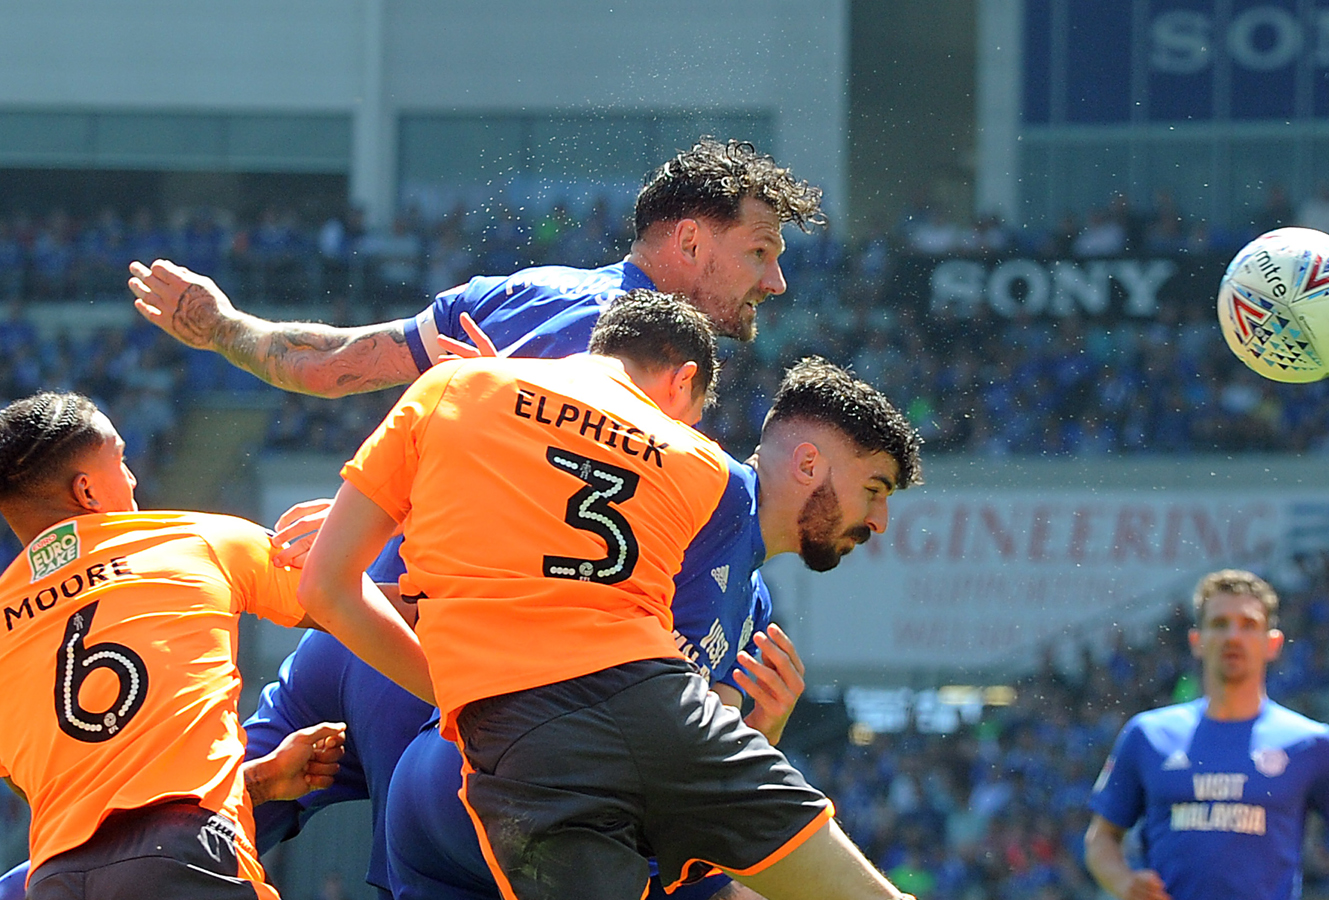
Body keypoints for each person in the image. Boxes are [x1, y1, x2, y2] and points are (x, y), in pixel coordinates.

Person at [296, 292, 917, 900]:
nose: (882, 520)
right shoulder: (700, 474)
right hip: (490, 767)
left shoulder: (751, 600)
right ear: (682, 385)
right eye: (875, 489)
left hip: (496, 770)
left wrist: (757, 733)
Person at [0, 391, 379, 899]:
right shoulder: (194, 541)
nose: (133, 478)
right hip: (188, 856)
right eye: (121, 459)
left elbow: (86, 798)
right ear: (86, 491)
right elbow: (363, 609)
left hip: (54, 881)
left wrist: (259, 782)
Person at [125, 138, 823, 398]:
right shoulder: (616, 338)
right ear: (693, 243)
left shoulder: (529, 295)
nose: (775, 282)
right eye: (759, 252)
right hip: (458, 670)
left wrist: (224, 328)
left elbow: (331, 365)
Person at [1084, 569, 1329, 900]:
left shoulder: (1312, 744)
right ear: (1197, 641)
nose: (1233, 637)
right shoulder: (1147, 735)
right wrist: (1123, 882)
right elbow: (1102, 837)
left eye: (1249, 624)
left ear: (1273, 643)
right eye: (1219, 624)